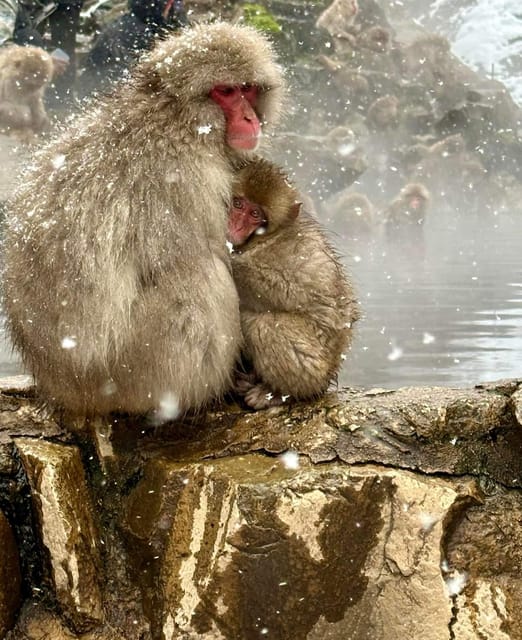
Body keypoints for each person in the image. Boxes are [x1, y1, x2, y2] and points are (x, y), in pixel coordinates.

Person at [79, 0, 188, 97]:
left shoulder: (160, 24)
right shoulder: (132, 30)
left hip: (116, 90)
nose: (178, 6)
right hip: (106, 96)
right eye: (174, 3)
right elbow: (139, 79)